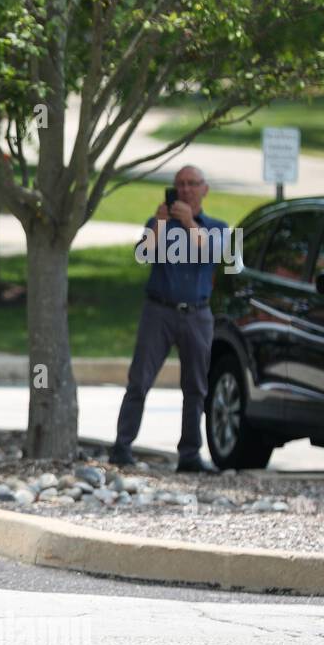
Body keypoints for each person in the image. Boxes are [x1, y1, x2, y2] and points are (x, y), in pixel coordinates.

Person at [111, 165, 227, 472]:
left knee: (196, 387)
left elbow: (215, 255)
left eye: (192, 184)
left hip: (198, 314)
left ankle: (190, 455)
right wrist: (160, 225)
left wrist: (190, 224)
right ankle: (121, 448)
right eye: (180, 184)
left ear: (205, 189)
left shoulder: (216, 226)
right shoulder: (158, 223)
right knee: (139, 381)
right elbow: (144, 256)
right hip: (158, 311)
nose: (186, 189)